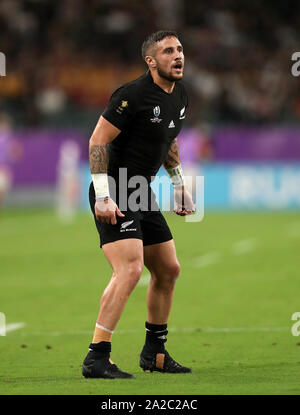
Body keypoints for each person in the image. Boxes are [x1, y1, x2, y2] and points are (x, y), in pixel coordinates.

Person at [82, 30, 195, 379]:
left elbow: (168, 141)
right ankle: (97, 357)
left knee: (168, 269)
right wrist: (103, 195)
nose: (177, 56)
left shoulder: (181, 95)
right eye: (167, 52)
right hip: (115, 187)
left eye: (179, 49)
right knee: (129, 270)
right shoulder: (131, 95)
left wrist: (178, 185)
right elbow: (98, 140)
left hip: (140, 190)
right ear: (151, 61)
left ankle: (154, 353)